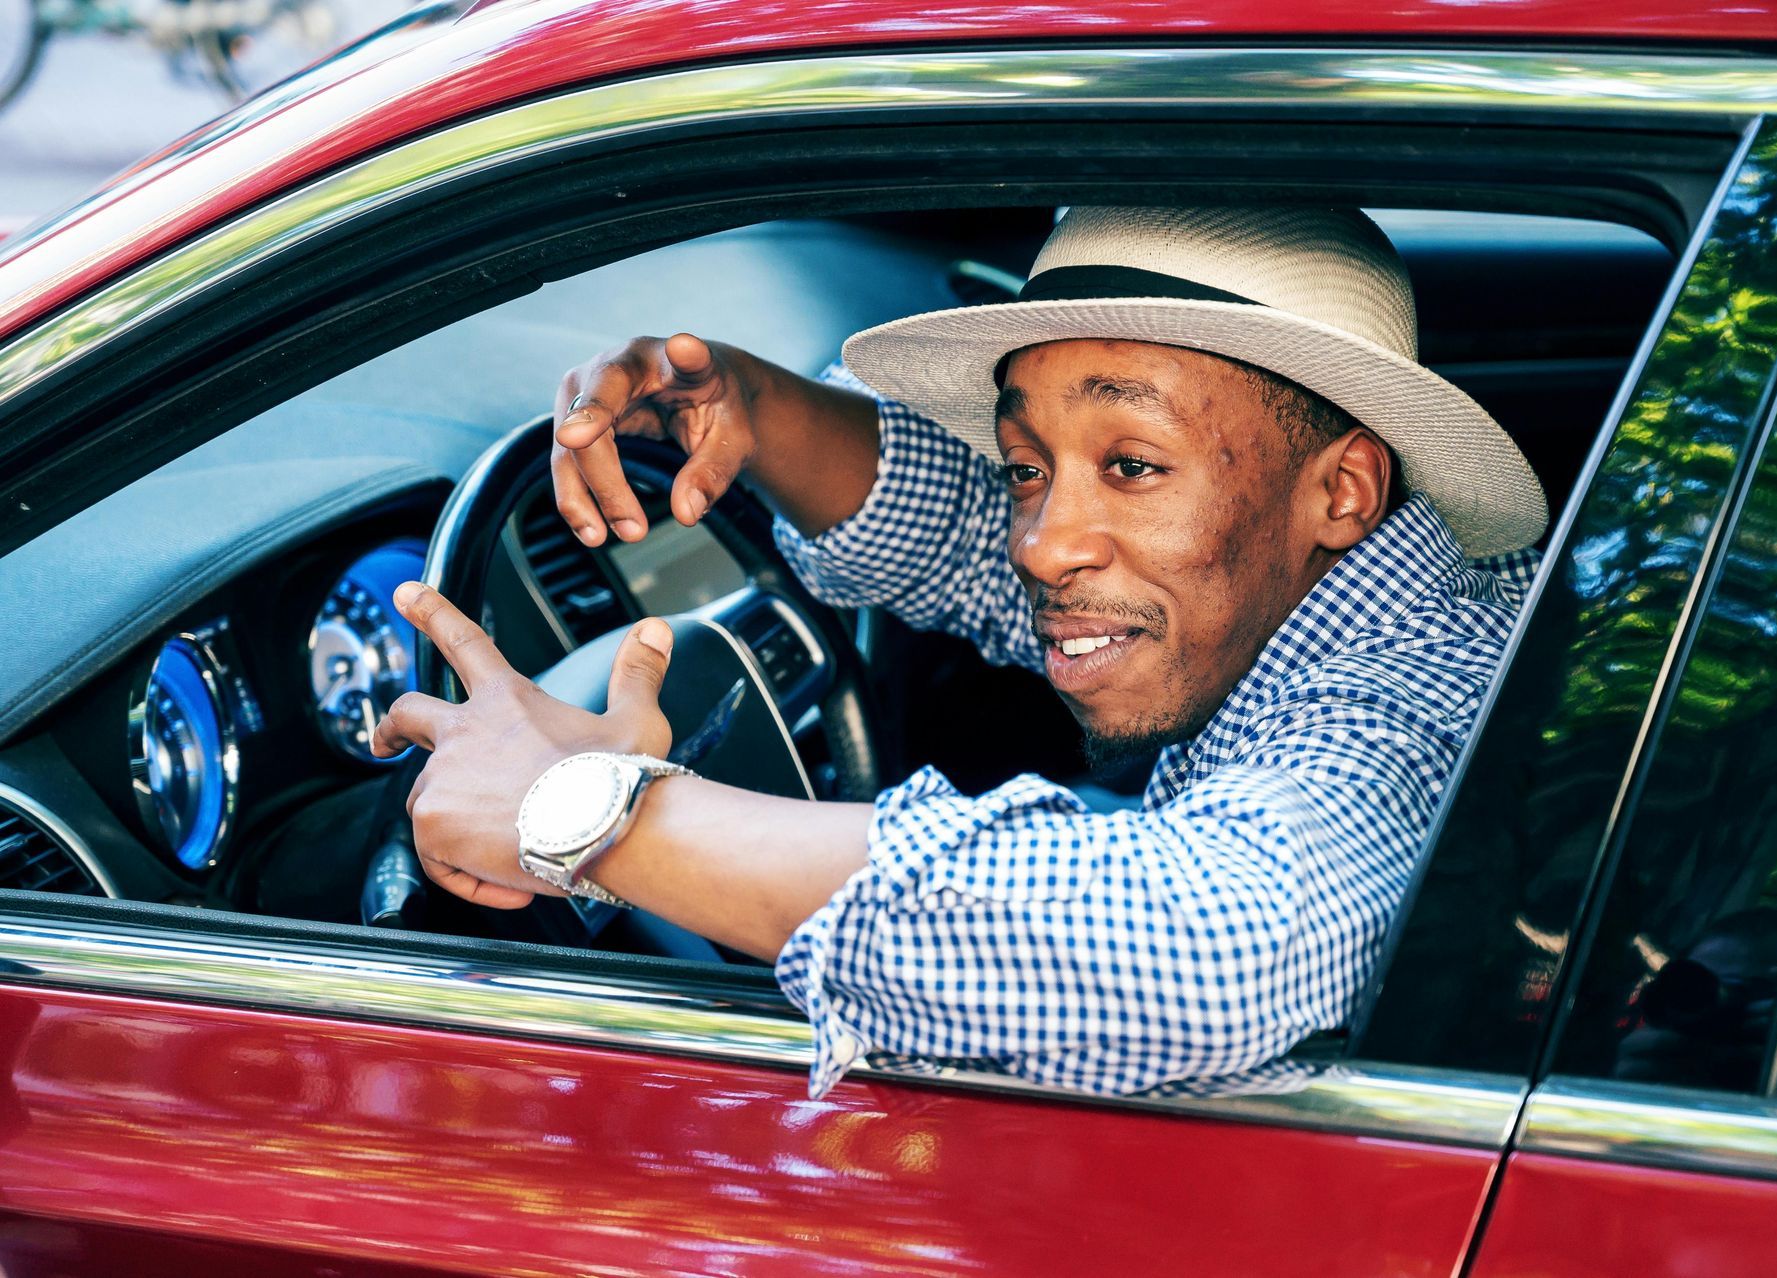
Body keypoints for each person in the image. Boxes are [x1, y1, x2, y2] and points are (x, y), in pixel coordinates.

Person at [372, 206, 1547, 1098]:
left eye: (1131, 465)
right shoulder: (1318, 579)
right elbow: (968, 539)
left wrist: (591, 814)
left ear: (1341, 487)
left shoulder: (1418, 691)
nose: (1044, 544)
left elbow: (1218, 954)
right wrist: (750, 408)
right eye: (1030, 465)